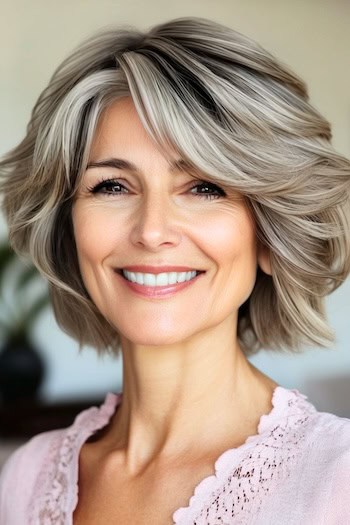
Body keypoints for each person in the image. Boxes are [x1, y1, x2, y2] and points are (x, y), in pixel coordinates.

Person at [0, 15, 350, 525]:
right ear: (67, 228)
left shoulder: (337, 481)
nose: (152, 230)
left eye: (205, 187)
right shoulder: (24, 478)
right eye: (112, 187)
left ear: (269, 235)